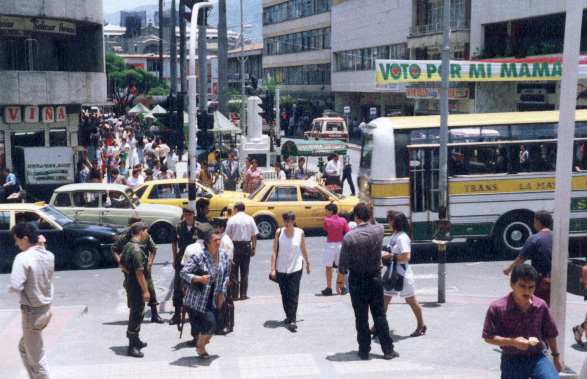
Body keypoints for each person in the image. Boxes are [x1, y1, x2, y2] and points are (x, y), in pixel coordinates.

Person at [335, 203, 398, 360]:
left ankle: (364, 350)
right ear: (369, 216)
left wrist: (339, 282)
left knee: (361, 317)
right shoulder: (379, 230)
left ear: (356, 217)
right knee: (379, 315)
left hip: (357, 281)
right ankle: (388, 350)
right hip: (375, 279)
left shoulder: (349, 237)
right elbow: (374, 223)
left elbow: (343, 264)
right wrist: (371, 212)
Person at [483, 264, 562, 378]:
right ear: (512, 284)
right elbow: (488, 337)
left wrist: (556, 357)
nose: (527, 291)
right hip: (511, 359)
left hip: (537, 357)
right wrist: (513, 342)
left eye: (531, 287)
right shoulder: (497, 308)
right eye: (522, 286)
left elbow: (551, 333)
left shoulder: (541, 306)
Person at [9, 223, 55, 378]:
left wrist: (11, 289)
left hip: (32, 314)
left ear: (26, 238)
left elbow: (16, 285)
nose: (16, 244)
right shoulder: (49, 255)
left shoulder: (23, 258)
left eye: (17, 240)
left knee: (37, 358)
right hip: (46, 310)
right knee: (24, 348)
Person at [180, 231, 230, 359]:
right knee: (210, 324)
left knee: (216, 326)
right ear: (207, 243)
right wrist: (199, 278)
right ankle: (200, 346)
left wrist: (222, 293)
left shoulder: (224, 255)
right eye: (215, 240)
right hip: (200, 297)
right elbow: (183, 272)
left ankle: (201, 343)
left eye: (219, 240)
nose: (218, 242)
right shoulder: (199, 256)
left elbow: (226, 276)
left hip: (215, 296)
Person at [377, 211, 426, 337]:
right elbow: (392, 250)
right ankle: (377, 326)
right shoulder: (395, 235)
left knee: (411, 301)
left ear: (396, 222)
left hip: (402, 275)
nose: (388, 222)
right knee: (384, 301)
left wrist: (391, 257)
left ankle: (421, 325)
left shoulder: (402, 237)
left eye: (390, 220)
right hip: (392, 273)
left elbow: (406, 256)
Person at [112, 217, 163, 323]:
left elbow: (153, 249)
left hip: (144, 269)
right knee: (133, 293)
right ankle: (135, 317)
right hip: (131, 271)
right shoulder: (125, 238)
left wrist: (150, 261)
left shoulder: (145, 237)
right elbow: (114, 249)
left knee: (151, 290)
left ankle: (155, 315)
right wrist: (121, 263)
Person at [270, 212, 311, 332]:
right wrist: (273, 269)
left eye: (289, 221)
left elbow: (303, 248)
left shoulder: (300, 232)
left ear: (293, 221)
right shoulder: (279, 232)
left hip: (296, 267)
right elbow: (274, 251)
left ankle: (292, 319)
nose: (287, 223)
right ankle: (289, 316)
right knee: (285, 294)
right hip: (281, 268)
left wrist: (307, 262)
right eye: (285, 221)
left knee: (293, 294)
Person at [503, 211, 553, 305]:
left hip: (542, 281)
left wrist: (508, 269)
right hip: (558, 280)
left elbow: (521, 259)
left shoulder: (535, 239)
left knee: (538, 307)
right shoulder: (557, 237)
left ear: (537, 222)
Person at [120, 222, 151, 358]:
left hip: (130, 283)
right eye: (146, 231)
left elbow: (121, 264)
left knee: (135, 311)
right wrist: (145, 291)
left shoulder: (127, 245)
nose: (147, 234)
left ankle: (136, 340)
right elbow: (140, 273)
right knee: (136, 314)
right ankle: (132, 347)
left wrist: (129, 274)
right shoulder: (137, 250)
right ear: (141, 232)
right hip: (137, 286)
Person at [169, 207, 199, 325]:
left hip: (195, 260)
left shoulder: (199, 227)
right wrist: (174, 257)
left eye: (190, 214)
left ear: (193, 215)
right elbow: (174, 243)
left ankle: (195, 313)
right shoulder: (178, 227)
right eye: (186, 214)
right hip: (181, 259)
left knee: (195, 286)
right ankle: (177, 314)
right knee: (178, 287)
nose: (188, 217)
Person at [225, 202, 259, 300]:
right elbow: (254, 235)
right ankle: (243, 294)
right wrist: (254, 248)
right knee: (245, 271)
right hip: (246, 245)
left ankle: (235, 295)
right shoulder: (250, 219)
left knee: (234, 271)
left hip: (235, 246)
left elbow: (227, 236)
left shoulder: (231, 219)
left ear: (236, 209)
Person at [321, 203, 349, 296]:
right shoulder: (343, 220)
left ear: (331, 211)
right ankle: (342, 287)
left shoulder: (326, 220)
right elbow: (347, 231)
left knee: (328, 267)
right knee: (341, 267)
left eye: (327, 211)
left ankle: (329, 288)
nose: (325, 213)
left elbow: (326, 229)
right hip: (340, 244)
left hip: (330, 245)